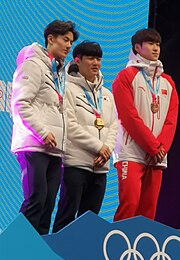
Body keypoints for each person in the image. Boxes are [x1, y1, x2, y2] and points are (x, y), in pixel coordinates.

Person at [10, 20, 79, 235]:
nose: (69, 45)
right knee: (35, 201)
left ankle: (37, 257)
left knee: (48, 205)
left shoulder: (59, 72)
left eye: (71, 42)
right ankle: (15, 253)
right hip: (33, 145)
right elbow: (20, 103)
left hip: (54, 149)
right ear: (50, 39)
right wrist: (42, 132)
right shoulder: (33, 64)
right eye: (65, 40)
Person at [112, 28, 179, 222]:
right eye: (150, 44)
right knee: (130, 205)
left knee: (148, 212)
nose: (155, 48)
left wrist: (161, 148)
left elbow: (171, 120)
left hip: (157, 155)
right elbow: (128, 116)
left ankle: (141, 251)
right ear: (137, 47)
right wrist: (153, 146)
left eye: (157, 44)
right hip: (131, 152)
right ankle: (115, 249)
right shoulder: (125, 77)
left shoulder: (168, 83)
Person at [52, 41, 118, 233]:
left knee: (90, 222)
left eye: (98, 59)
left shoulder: (107, 94)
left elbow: (113, 125)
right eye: (90, 58)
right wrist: (99, 147)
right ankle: (54, 257)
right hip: (76, 163)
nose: (95, 63)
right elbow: (70, 125)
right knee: (66, 216)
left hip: (100, 167)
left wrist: (106, 150)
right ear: (77, 61)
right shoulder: (68, 89)